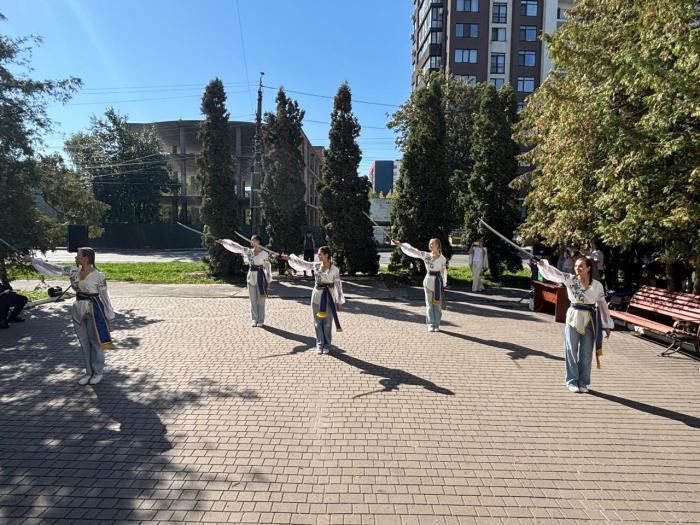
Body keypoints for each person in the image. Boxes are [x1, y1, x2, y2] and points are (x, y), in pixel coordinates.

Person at [24, 247, 115, 386]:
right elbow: (54, 268)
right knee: (84, 343)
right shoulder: (73, 271)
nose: (75, 257)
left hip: (94, 310)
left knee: (95, 342)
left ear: (86, 258)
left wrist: (109, 316)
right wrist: (32, 260)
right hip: (78, 309)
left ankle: (98, 372)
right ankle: (88, 372)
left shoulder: (99, 276)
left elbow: (105, 297)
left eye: (78, 255)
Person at [537, 256, 613, 394]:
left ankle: (583, 382)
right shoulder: (570, 279)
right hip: (573, 317)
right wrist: (544, 265)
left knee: (586, 353)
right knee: (571, 350)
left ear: (588, 268)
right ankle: (572, 381)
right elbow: (556, 274)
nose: (577, 268)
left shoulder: (597, 285)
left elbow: (602, 305)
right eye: (576, 266)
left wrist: (606, 324)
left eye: (581, 266)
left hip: (589, 319)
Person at [282, 246, 345, 355]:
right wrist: (290, 258)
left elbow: (338, 286)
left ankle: (327, 344)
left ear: (326, 255)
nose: (318, 256)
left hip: (328, 297)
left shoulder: (335, 270)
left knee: (327, 323)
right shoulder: (316, 265)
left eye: (320, 254)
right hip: (316, 296)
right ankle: (319, 344)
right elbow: (304, 264)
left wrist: (339, 301)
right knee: (317, 322)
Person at [391, 237, 447, 332]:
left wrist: (444, 283)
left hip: (437, 283)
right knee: (429, 304)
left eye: (432, 243)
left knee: (437, 305)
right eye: (430, 243)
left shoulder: (442, 258)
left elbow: (444, 272)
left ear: (437, 245)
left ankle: (436, 325)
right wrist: (400, 244)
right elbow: (413, 251)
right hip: (428, 281)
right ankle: (430, 324)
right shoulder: (426, 255)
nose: (430, 245)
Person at [217, 235, 273, 328]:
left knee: (261, 300)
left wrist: (269, 280)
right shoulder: (249, 251)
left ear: (258, 241)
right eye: (251, 240)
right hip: (251, 277)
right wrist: (224, 242)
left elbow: (267, 267)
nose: (251, 242)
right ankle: (254, 319)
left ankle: (261, 320)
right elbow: (236, 246)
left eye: (253, 240)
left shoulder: (264, 253)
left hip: (260, 277)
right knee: (253, 300)